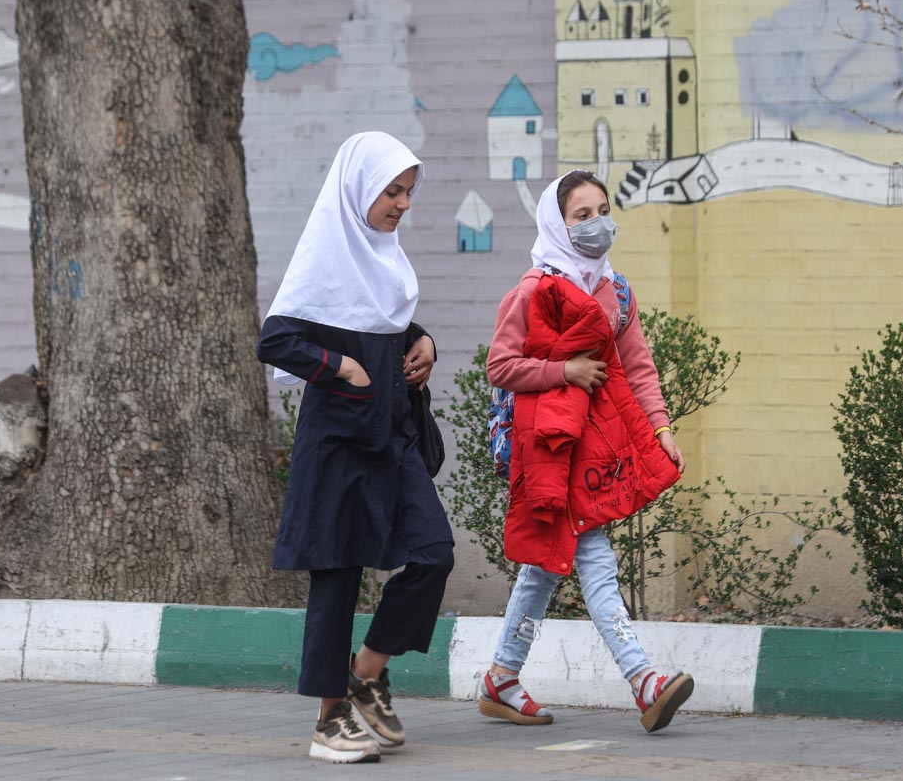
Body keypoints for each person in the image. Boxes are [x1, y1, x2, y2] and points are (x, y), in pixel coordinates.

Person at [256, 132, 455, 764]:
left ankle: (367, 669)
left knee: (434, 554)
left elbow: (384, 324)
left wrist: (421, 342)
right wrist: (338, 365)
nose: (401, 204)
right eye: (391, 192)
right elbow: (277, 339)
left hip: (391, 436)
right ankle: (329, 720)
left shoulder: (386, 259)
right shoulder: (324, 258)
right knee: (337, 576)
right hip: (339, 440)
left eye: (407, 193)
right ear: (357, 191)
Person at [478, 169, 692, 734]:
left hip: (596, 450)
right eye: (582, 215)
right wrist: (564, 370)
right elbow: (500, 367)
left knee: (544, 567)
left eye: (603, 210)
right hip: (548, 449)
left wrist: (661, 427)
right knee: (593, 559)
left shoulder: (615, 290)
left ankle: (501, 676)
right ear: (557, 222)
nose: (597, 224)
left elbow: (637, 366)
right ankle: (644, 681)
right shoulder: (532, 291)